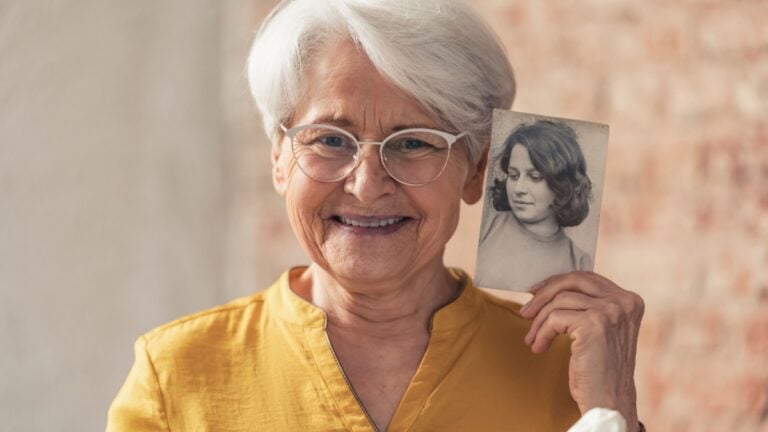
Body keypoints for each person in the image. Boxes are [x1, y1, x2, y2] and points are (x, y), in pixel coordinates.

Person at [107, 1, 645, 431]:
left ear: (479, 170)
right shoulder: (176, 378)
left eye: (413, 142)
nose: (366, 185)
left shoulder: (565, 371)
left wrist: (612, 414)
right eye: (330, 140)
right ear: (278, 160)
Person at [475, 120, 595, 292]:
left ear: (563, 184)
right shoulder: (487, 225)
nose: (519, 189)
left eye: (535, 177)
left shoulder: (579, 262)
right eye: (513, 175)